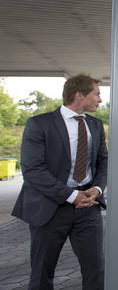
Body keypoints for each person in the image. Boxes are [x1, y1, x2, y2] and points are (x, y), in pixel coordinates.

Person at [12, 74, 108, 290]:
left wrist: (97, 188)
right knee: (42, 272)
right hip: (49, 207)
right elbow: (33, 170)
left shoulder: (95, 125)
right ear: (80, 94)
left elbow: (103, 161)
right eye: (97, 94)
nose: (100, 100)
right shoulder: (38, 124)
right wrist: (72, 196)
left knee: (95, 270)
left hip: (88, 208)